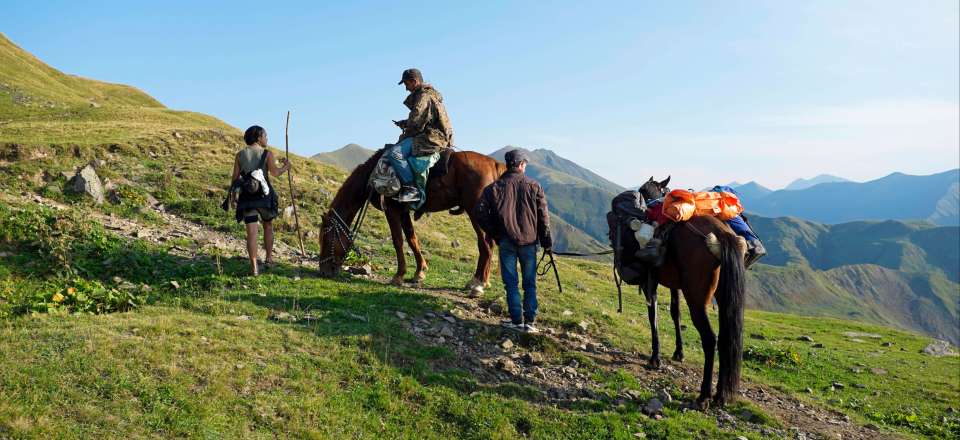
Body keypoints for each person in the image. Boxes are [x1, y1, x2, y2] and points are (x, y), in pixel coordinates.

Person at [475, 149, 552, 333]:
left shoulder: (493, 188)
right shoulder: (534, 186)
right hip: (529, 242)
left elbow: (480, 212)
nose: (525, 166)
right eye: (525, 164)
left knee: (510, 283)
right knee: (529, 283)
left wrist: (496, 234)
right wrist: (547, 243)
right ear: (520, 165)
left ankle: (517, 320)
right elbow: (544, 218)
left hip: (506, 242)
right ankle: (530, 322)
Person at [387, 68, 454, 205]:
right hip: (438, 136)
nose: (406, 88)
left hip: (432, 138)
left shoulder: (423, 97)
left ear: (414, 81)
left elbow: (416, 124)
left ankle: (411, 189)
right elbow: (422, 120)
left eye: (406, 84)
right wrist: (405, 123)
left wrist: (404, 135)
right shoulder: (430, 95)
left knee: (395, 153)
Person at [230, 125, 290, 276]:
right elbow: (275, 173)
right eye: (265, 136)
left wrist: (232, 197)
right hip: (264, 197)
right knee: (268, 226)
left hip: (247, 197)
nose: (267, 139)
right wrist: (286, 167)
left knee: (252, 233)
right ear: (259, 137)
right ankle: (269, 259)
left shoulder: (239, 155)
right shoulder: (267, 154)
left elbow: (235, 179)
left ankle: (254, 266)